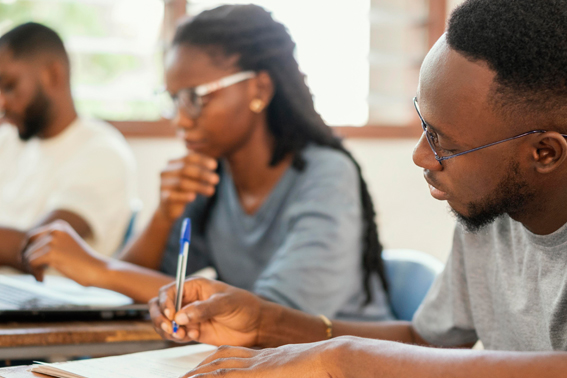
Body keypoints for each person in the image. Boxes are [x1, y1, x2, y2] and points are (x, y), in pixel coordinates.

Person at [148, 0, 567, 376]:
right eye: (425, 126)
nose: (421, 156)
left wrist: (344, 358)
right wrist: (264, 323)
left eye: (446, 143)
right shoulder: (492, 213)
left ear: (544, 153)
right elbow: (427, 344)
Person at [23, 5, 393, 321]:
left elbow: (276, 317)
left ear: (259, 89)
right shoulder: (214, 179)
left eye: (195, 97)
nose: (181, 119)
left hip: (345, 360)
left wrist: (98, 268)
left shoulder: (325, 175)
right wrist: (163, 216)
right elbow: (137, 287)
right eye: (173, 100)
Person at [0, 22, 136, 272]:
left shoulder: (102, 152)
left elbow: (39, 248)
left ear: (53, 75)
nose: (1, 102)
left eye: (9, 86)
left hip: (49, 304)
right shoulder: (8, 140)